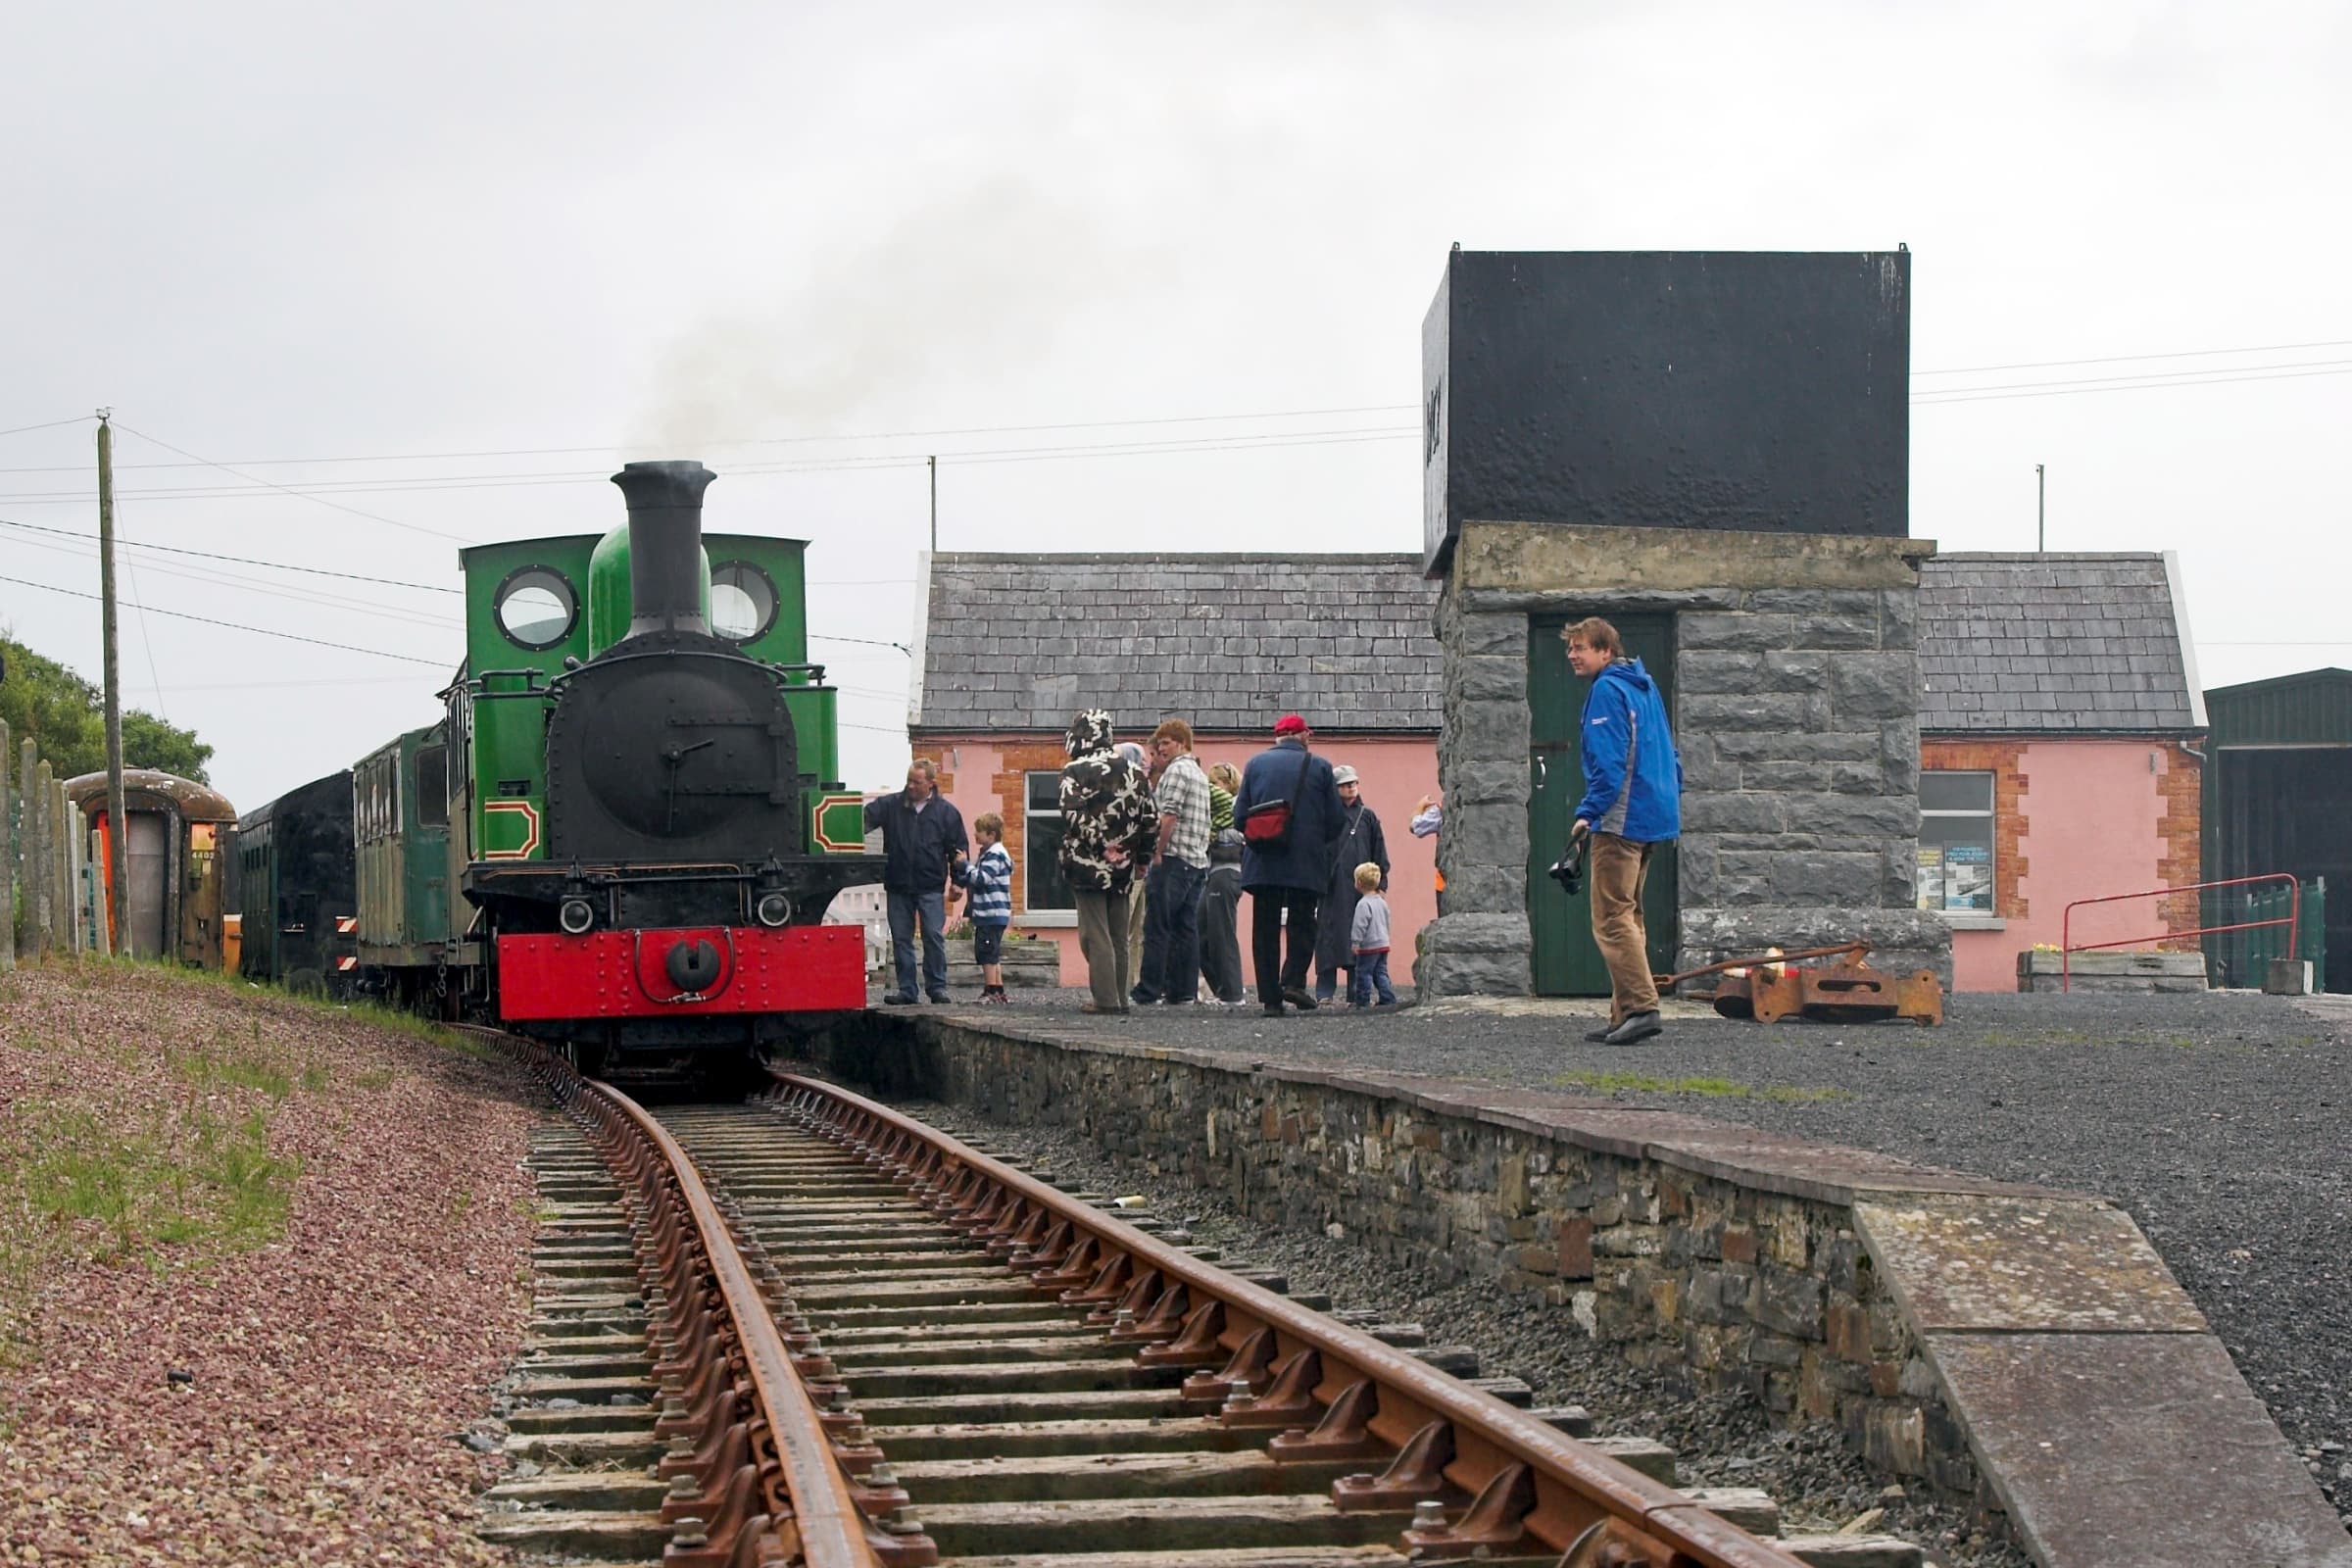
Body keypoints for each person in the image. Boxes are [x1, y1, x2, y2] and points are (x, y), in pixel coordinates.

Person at [1564, 616, 1683, 1046]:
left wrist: (1588, 812)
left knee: (1611, 917)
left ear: (1605, 652)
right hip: (1654, 816)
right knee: (1630, 915)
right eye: (1570, 649)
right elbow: (1672, 755)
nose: (1573, 656)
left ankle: (1640, 1008)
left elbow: (1609, 763)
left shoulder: (1607, 692)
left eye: (1580, 648)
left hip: (1620, 819)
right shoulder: (1643, 688)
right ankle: (1622, 1014)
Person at [1234, 713, 1343, 1015]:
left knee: (1264, 928)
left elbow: (1240, 815)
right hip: (1305, 860)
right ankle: (1293, 980)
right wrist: (1316, 842)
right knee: (1303, 921)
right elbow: (1336, 819)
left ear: (1277, 736)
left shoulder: (1255, 764)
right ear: (1303, 735)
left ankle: (1270, 999)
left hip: (1264, 858)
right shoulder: (1319, 767)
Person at [1056, 711, 1158, 1015]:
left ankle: (1105, 1000)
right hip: (1124, 865)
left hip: (1085, 863)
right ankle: (1122, 997)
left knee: (1095, 933)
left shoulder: (1073, 771)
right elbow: (1150, 820)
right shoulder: (1136, 773)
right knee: (1119, 935)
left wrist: (1102, 846)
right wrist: (1142, 859)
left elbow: (1072, 814)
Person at [862, 759, 967, 1005]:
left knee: (933, 936)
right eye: (908, 779)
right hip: (898, 885)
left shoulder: (947, 813)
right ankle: (908, 990)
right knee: (901, 939)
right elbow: (860, 821)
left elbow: (958, 849)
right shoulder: (889, 806)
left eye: (916, 781)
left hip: (930, 886)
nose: (910, 786)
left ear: (930, 783)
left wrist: (958, 882)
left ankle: (937, 988)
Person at [1133, 719, 1211, 1005]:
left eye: (1166, 742)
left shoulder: (1177, 772)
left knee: (1157, 927)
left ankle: (1149, 990)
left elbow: (1169, 816)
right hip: (1197, 860)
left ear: (1181, 743)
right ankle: (1183, 990)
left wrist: (1156, 850)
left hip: (1174, 859)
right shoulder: (1199, 773)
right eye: (1159, 743)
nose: (1161, 748)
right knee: (1185, 928)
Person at [1312, 764, 1389, 1004]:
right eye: (1346, 784)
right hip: (1331, 886)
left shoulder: (1367, 816)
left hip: (1361, 887)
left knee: (1360, 937)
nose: (1351, 788)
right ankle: (1325, 991)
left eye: (1354, 783)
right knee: (1327, 937)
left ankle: (1355, 990)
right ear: (1335, 789)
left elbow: (1379, 850)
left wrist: (1380, 883)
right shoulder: (1324, 816)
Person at [951, 812, 1014, 1004]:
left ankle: (990, 991)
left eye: (979, 831)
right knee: (992, 951)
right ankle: (999, 989)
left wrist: (964, 865)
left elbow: (981, 879)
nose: (975, 835)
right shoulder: (991, 854)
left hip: (991, 911)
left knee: (986, 951)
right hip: (994, 913)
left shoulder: (995, 855)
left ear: (991, 835)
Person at [1199, 761, 1248, 1005]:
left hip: (1226, 873)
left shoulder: (1236, 810)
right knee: (1203, 932)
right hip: (1213, 874)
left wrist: (1212, 835)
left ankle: (1232, 992)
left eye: (1214, 784)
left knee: (1222, 934)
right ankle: (1223, 988)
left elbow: (1239, 840)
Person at [1118, 740, 1153, 983]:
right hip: (1139, 865)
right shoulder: (1141, 786)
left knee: (1129, 927)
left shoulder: (1131, 786)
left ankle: (1129, 981)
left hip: (1134, 865)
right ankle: (1129, 981)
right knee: (1133, 929)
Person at [1347, 862, 1397, 1008]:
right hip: (1383, 943)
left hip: (1369, 946)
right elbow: (1387, 920)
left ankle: (1363, 1000)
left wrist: (1356, 942)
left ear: (1360, 883)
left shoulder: (1363, 904)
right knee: (1381, 972)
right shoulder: (1381, 902)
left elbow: (1359, 925)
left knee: (1364, 973)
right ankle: (1387, 997)